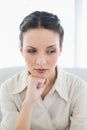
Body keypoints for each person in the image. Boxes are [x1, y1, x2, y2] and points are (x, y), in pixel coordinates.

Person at [0, 11, 87, 130]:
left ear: (60, 50)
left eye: (51, 51)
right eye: (32, 51)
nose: (41, 62)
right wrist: (28, 102)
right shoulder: (8, 89)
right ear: (22, 51)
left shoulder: (78, 88)